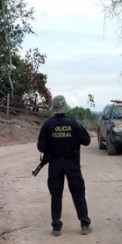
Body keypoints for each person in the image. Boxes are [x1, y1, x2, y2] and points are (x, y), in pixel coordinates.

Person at [37, 95, 92, 236]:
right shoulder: (74, 123)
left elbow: (41, 147)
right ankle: (84, 224)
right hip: (72, 164)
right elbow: (86, 141)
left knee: (56, 195)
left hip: (55, 164)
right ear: (65, 107)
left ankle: (56, 227)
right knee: (78, 193)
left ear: (54, 108)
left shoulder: (47, 125)